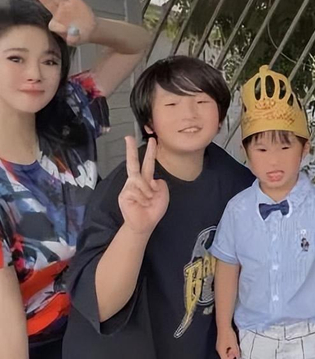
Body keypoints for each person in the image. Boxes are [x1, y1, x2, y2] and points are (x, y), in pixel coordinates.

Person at [0, 0, 151, 359]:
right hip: (6, 339)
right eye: (16, 58)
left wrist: (94, 29)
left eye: (49, 60)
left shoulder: (71, 112)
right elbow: (4, 318)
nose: (34, 73)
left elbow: (137, 44)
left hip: (77, 323)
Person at [62, 56, 255, 359]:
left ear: (219, 117)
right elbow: (100, 305)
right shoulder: (127, 190)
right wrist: (136, 230)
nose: (189, 114)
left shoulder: (237, 182)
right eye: (172, 104)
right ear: (149, 123)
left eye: (201, 101)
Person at [211, 66, 315, 359]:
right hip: (254, 334)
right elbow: (227, 269)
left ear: (304, 148)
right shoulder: (237, 209)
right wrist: (224, 328)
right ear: (245, 152)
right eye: (262, 150)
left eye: (284, 147)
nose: (274, 161)